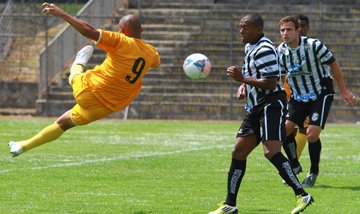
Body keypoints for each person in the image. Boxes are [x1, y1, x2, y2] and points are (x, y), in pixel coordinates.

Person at [8, 2, 160, 157]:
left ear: (122, 31)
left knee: (74, 78)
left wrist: (63, 13)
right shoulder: (152, 53)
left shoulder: (121, 40)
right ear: (142, 30)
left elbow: (89, 31)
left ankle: (78, 63)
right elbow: (156, 63)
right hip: (106, 107)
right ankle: (22, 146)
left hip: (91, 92)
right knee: (63, 124)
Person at [209, 13, 313, 214]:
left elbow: (271, 82)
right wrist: (245, 88)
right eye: (240, 27)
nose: (241, 31)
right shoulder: (250, 46)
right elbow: (255, 76)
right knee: (238, 151)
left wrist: (243, 80)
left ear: (257, 29)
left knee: (271, 151)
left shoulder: (265, 49)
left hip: (270, 105)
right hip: (255, 107)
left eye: (245, 27)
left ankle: (302, 194)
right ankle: (230, 204)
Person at [278, 16, 356, 187]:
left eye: (289, 29)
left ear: (297, 30)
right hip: (298, 97)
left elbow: (334, 64)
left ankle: (313, 172)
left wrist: (344, 91)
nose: (285, 33)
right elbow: (282, 75)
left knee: (312, 133)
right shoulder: (281, 51)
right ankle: (295, 164)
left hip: (321, 93)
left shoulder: (314, 45)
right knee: (282, 131)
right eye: (282, 30)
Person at [281, 14, 311, 177]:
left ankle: (296, 167)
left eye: (303, 26)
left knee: (307, 129)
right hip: (289, 93)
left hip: (308, 96)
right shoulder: (284, 49)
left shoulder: (313, 47)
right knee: (286, 131)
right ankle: (294, 163)